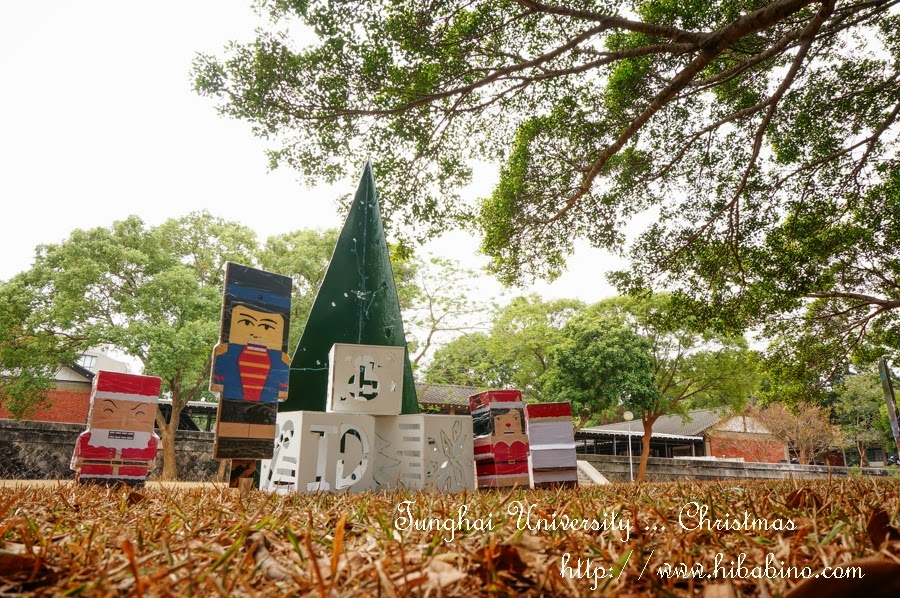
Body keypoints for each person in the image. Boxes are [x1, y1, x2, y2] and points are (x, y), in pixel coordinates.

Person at [71, 371, 161, 486]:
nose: (123, 422)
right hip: (93, 475)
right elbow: (78, 462)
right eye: (109, 411)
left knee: (133, 484)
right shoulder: (87, 438)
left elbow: (150, 464)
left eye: (138, 413)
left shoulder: (149, 441)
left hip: (133, 476)